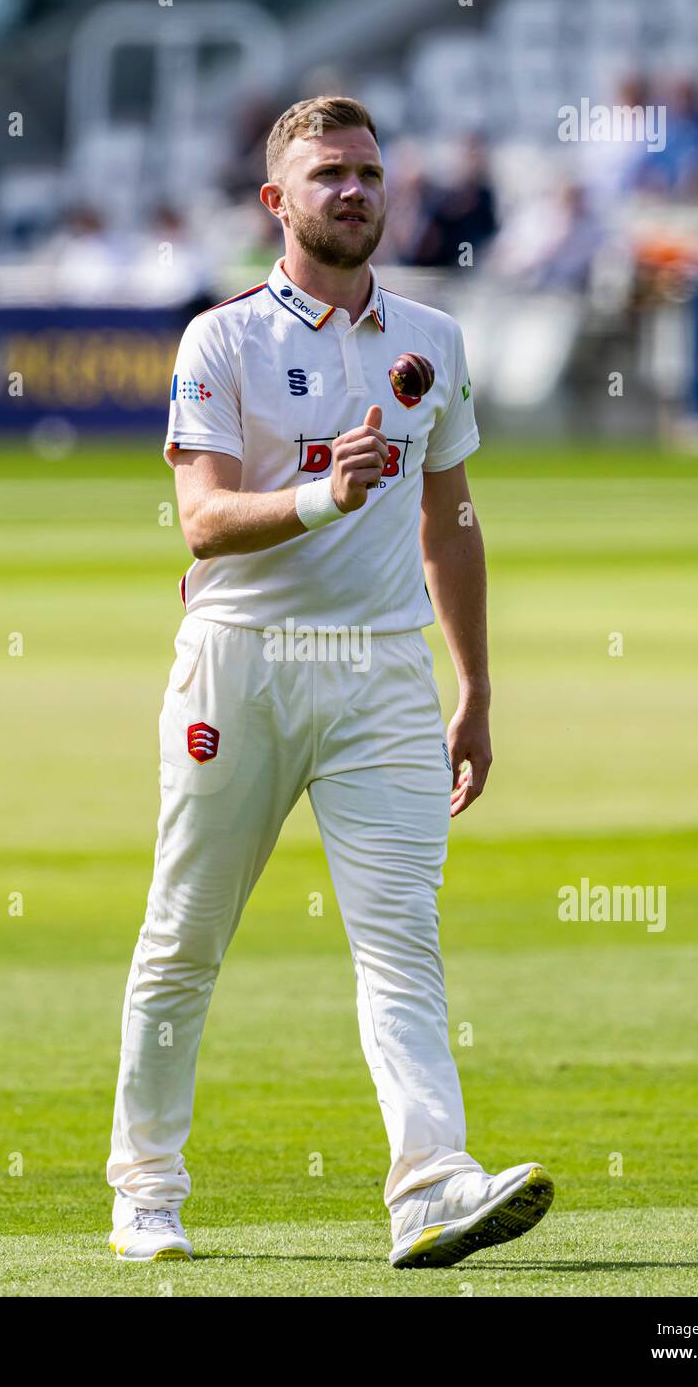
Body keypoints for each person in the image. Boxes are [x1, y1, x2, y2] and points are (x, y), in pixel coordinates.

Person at [106, 96, 554, 1269]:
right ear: (277, 202)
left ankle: (431, 1186)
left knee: (402, 939)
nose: (352, 191)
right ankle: (146, 1188)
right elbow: (200, 523)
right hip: (241, 666)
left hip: (382, 677)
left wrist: (477, 686)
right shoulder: (222, 339)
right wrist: (322, 496)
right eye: (327, 176)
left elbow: (450, 522)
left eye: (366, 172)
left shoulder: (431, 340)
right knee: (185, 938)